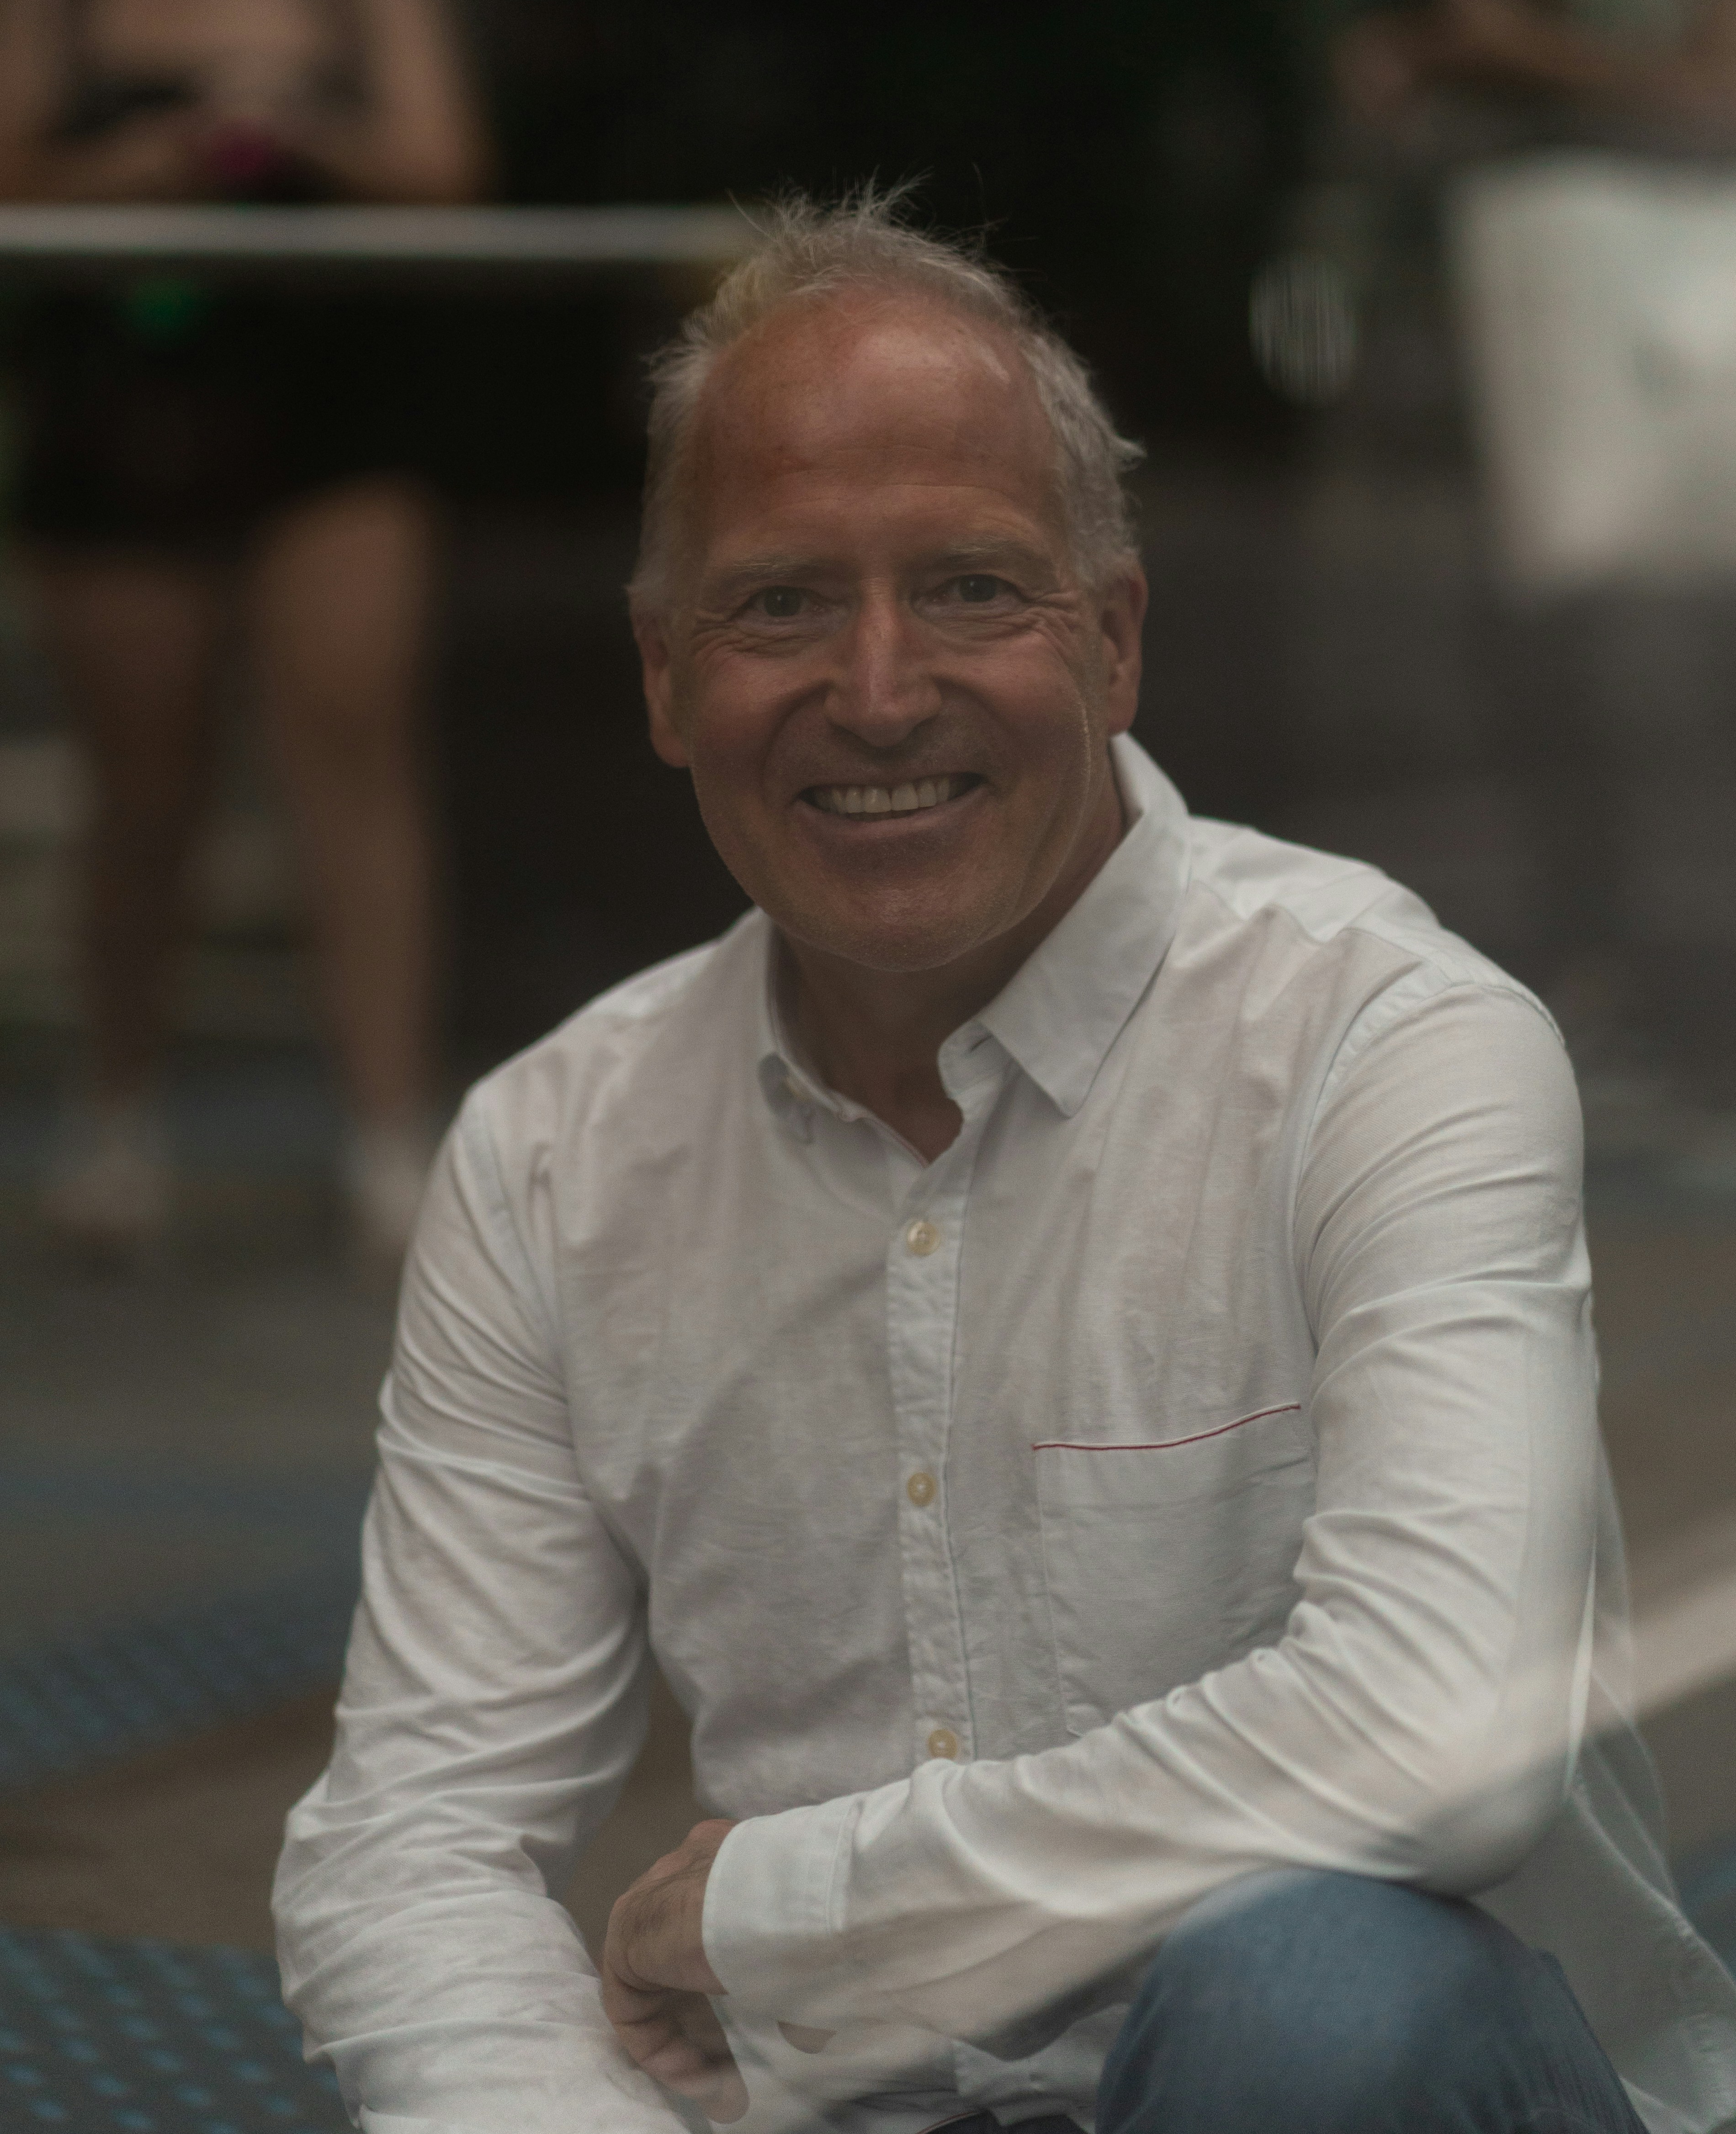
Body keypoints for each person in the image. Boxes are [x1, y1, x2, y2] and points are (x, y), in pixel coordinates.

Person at [274, 193, 1736, 2134]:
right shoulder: (555, 1151)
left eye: (969, 588)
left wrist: (784, 1906)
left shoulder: (1380, 1044)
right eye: (779, 602)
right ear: (658, 674)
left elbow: (1437, 1737)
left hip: (1379, 2093)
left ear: (1112, 640)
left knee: (1306, 1995)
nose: (877, 693)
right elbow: (416, 1831)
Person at [0, 0, 488, 1262]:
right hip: (122, 413)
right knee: (143, 790)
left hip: (329, 405)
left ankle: (385, 1133)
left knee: (354, 758)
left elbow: (442, 170)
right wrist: (143, 161)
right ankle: (119, 1125)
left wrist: (300, 137)